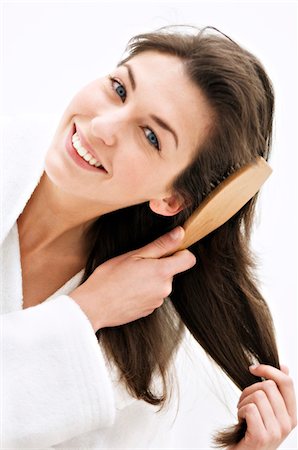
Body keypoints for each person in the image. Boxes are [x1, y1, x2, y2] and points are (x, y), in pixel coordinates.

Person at [1, 25, 296, 449]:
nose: (103, 125)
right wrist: (86, 311)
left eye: (151, 136)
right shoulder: (106, 306)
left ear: (171, 199)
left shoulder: (138, 337)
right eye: (119, 88)